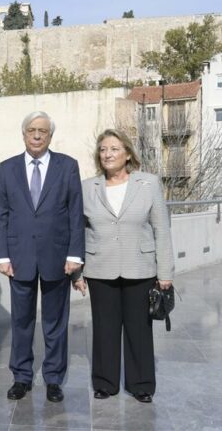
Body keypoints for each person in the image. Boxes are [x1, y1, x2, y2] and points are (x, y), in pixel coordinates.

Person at [73, 128, 174, 403]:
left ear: (127, 153)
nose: (108, 154)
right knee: (104, 329)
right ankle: (105, 383)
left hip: (140, 267)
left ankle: (141, 385)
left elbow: (161, 229)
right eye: (103, 149)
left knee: (139, 329)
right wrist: (78, 273)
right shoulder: (87, 187)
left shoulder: (148, 183)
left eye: (114, 148)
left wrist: (165, 273)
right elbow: (77, 231)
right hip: (99, 267)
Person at [0, 111, 85, 403]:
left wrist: (75, 256)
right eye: (31, 130)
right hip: (19, 258)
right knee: (21, 321)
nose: (36, 135)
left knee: (55, 322)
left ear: (50, 136)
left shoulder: (67, 166)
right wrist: (2, 256)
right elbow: (1, 215)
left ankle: (54, 379)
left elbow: (74, 213)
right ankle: (21, 376)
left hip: (57, 257)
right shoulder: (7, 168)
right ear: (23, 134)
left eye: (42, 131)